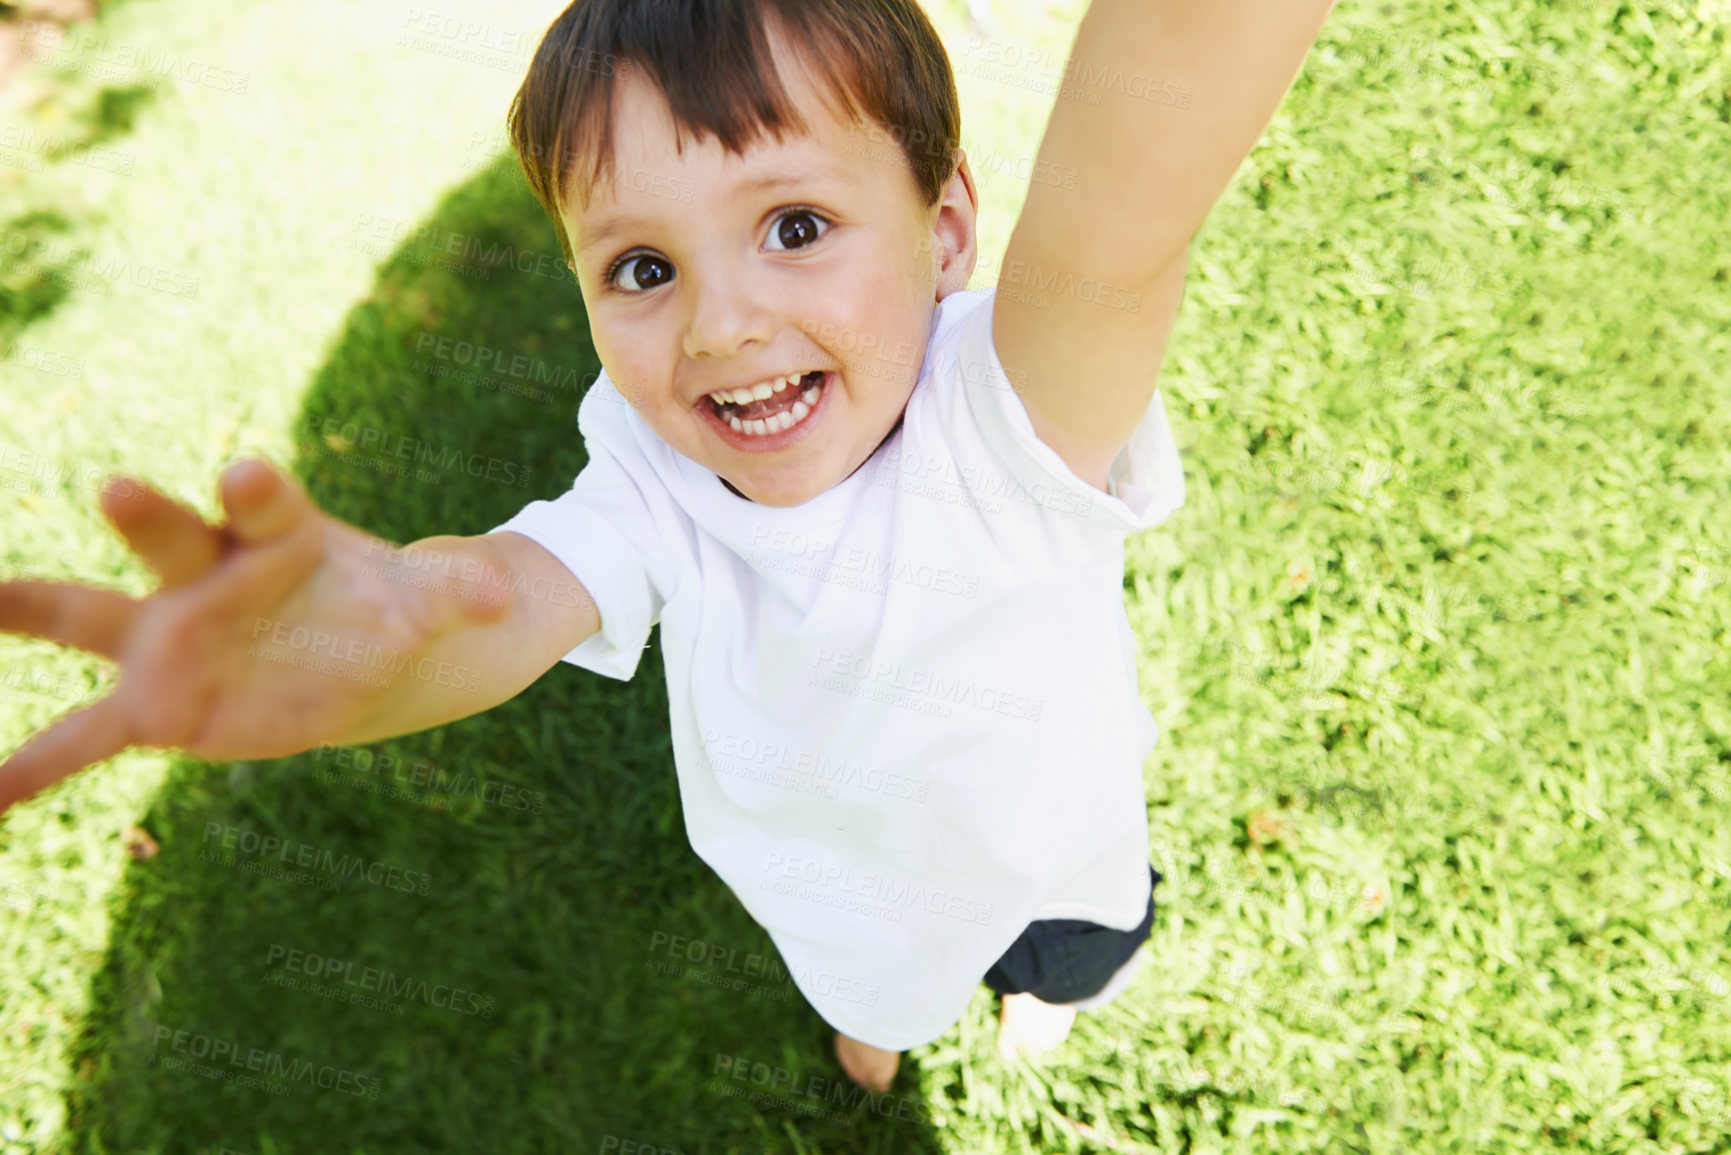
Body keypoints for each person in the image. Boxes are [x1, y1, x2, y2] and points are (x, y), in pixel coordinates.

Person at [0, 0, 1337, 1095]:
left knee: (1066, 948)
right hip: (833, 874)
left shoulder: (1008, 420)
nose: (720, 325)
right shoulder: (655, 470)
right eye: (643, 267)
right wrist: (356, 638)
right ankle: (883, 1015)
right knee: (869, 978)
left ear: (942, 232)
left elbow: (1125, 217)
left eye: (795, 228)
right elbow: (505, 596)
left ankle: (1038, 996)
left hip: (1049, 831)